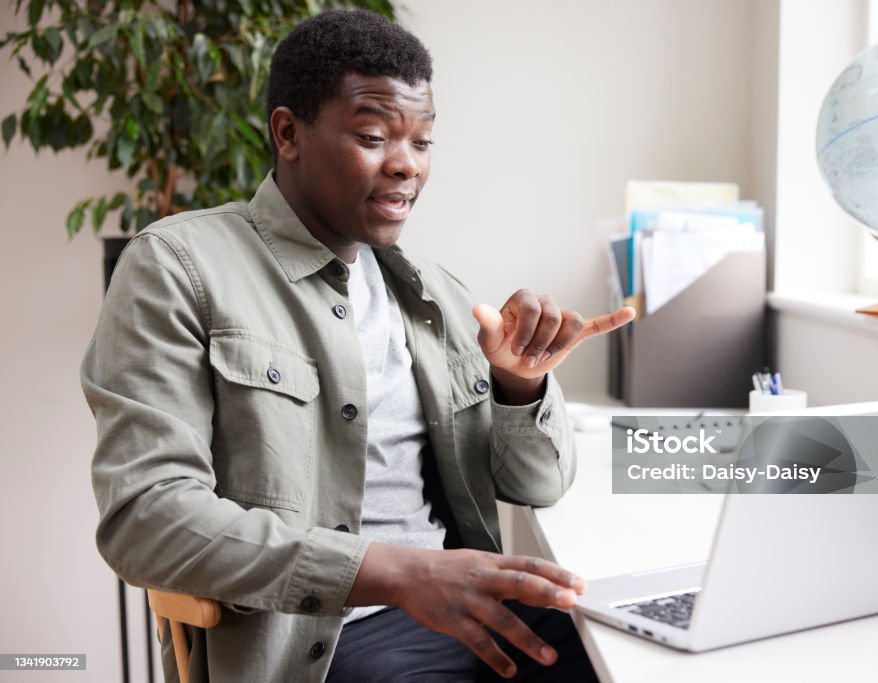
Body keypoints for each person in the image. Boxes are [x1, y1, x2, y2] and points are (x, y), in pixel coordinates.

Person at [82, 8, 634, 683]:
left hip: (466, 615)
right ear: (288, 133)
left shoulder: (433, 292)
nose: (405, 166)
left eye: (423, 142)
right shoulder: (178, 267)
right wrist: (397, 573)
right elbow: (147, 517)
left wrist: (520, 386)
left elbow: (538, 484)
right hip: (317, 646)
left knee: (639, 655)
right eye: (374, 135)